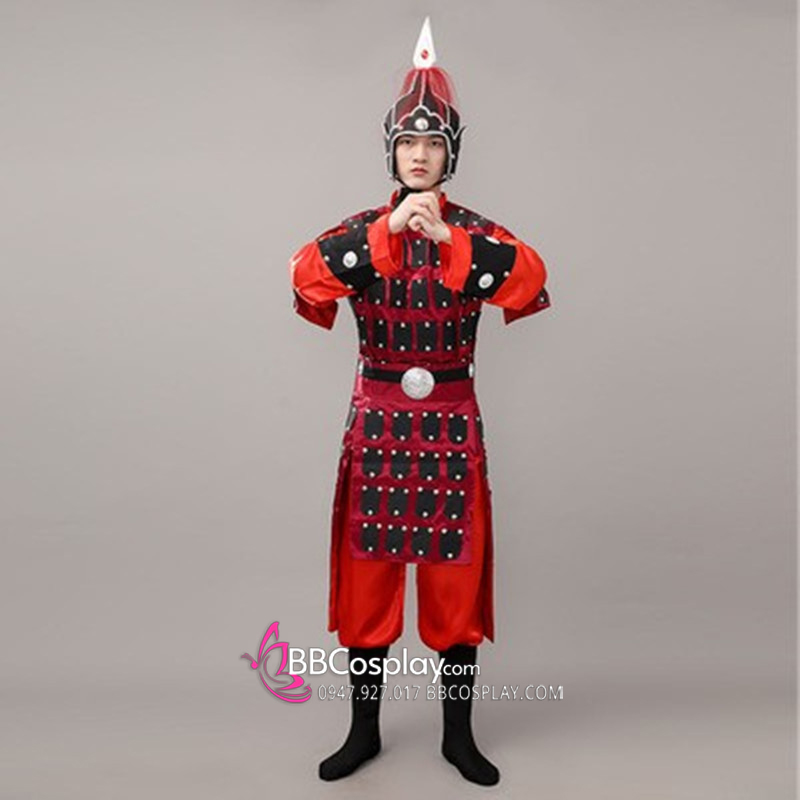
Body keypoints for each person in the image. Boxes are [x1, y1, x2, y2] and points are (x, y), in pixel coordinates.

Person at [288, 17, 551, 787]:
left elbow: (531, 280)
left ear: (450, 154)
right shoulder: (360, 233)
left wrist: (448, 243)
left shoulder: (475, 234)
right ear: (391, 150)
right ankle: (363, 733)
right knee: (367, 588)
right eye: (408, 142)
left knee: (453, 590)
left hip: (449, 431)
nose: (420, 154)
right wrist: (385, 235)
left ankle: (457, 741)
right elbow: (304, 280)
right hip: (377, 430)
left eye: (433, 143)